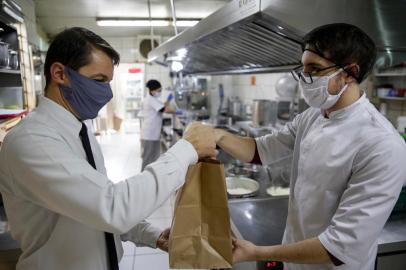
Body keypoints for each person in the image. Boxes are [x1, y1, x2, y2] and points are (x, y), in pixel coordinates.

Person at [0, 27, 216, 270]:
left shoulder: (79, 131)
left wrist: (151, 234)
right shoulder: (32, 141)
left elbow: (94, 202)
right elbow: (112, 206)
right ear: (60, 73)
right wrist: (187, 149)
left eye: (108, 82)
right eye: (99, 81)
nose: (107, 93)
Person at [213, 23, 406, 269]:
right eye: (303, 68)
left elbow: (340, 248)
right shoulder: (313, 116)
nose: (305, 78)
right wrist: (215, 135)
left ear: (350, 72)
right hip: (295, 261)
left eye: (315, 69)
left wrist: (256, 252)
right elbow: (262, 151)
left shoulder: (382, 145)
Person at [140, 79, 182, 170]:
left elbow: (162, 105)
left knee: (153, 157)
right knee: (147, 159)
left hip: (152, 134)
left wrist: (168, 100)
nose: (160, 92)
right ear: (152, 90)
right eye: (158, 91)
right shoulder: (150, 100)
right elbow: (165, 110)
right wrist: (178, 112)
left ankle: (150, 178)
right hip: (149, 134)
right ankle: (143, 179)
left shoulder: (153, 99)